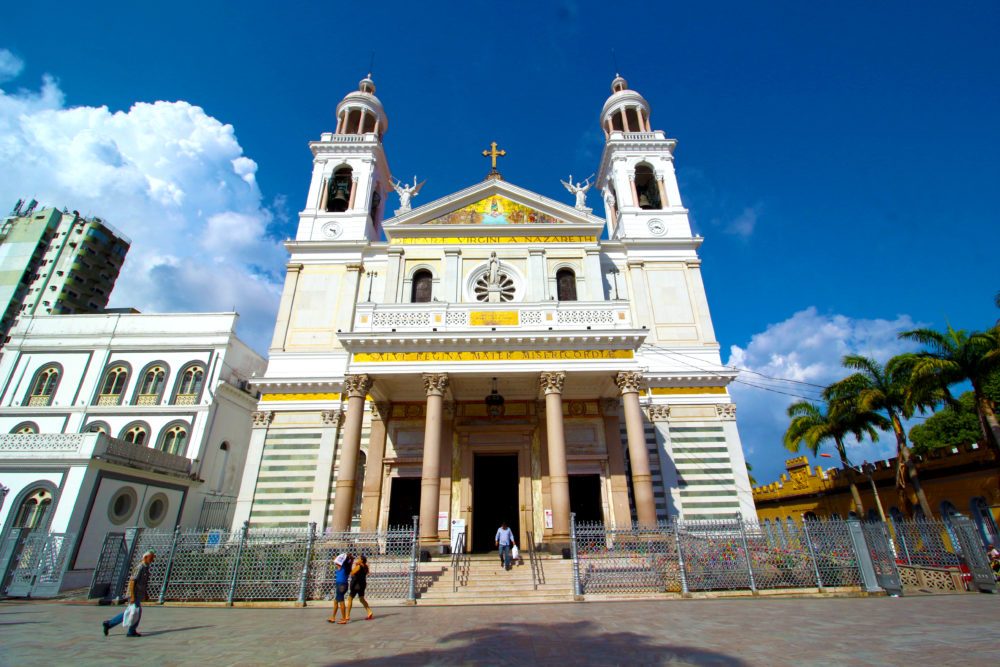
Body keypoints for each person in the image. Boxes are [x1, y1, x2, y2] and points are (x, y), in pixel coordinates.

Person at [102, 551, 155, 638]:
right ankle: (131, 631)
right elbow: (132, 581)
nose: (152, 560)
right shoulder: (139, 567)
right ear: (145, 557)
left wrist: (145, 593)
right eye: (151, 558)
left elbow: (143, 582)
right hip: (134, 594)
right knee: (136, 612)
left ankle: (109, 624)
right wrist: (132, 596)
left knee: (130, 612)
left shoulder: (145, 567)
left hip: (138, 594)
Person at [345, 554, 374, 622]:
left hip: (356, 584)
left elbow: (352, 573)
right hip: (362, 584)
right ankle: (369, 612)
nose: (357, 559)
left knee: (350, 598)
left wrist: (354, 565)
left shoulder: (359, 566)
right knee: (361, 599)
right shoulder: (365, 566)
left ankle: (347, 616)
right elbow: (367, 573)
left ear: (361, 560)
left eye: (359, 558)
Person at [327, 553, 350, 624]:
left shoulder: (342, 566)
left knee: (341, 601)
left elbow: (335, 560)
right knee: (336, 601)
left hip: (341, 585)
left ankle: (344, 619)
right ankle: (333, 617)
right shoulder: (346, 566)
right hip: (341, 584)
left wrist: (340, 556)